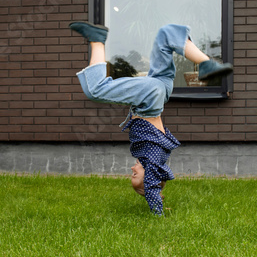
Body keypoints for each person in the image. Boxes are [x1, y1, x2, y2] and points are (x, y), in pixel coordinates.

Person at [70, 21, 233, 215]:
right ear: (149, 178)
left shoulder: (153, 156)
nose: (132, 169)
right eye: (135, 175)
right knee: (95, 89)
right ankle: (97, 39)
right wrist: (157, 209)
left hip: (161, 87)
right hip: (150, 100)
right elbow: (152, 187)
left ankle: (205, 63)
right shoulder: (153, 159)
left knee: (165, 35)